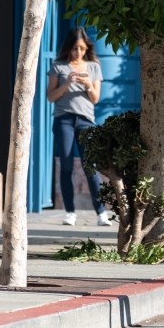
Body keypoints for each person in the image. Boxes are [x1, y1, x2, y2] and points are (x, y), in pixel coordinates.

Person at [46, 27, 113, 226]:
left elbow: (95, 98)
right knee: (66, 165)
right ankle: (70, 212)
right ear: (69, 48)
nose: (78, 52)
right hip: (64, 120)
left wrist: (87, 85)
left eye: (82, 48)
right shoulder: (58, 66)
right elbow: (51, 97)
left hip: (86, 121)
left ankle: (101, 213)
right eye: (75, 48)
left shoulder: (93, 67)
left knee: (89, 166)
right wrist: (67, 83)